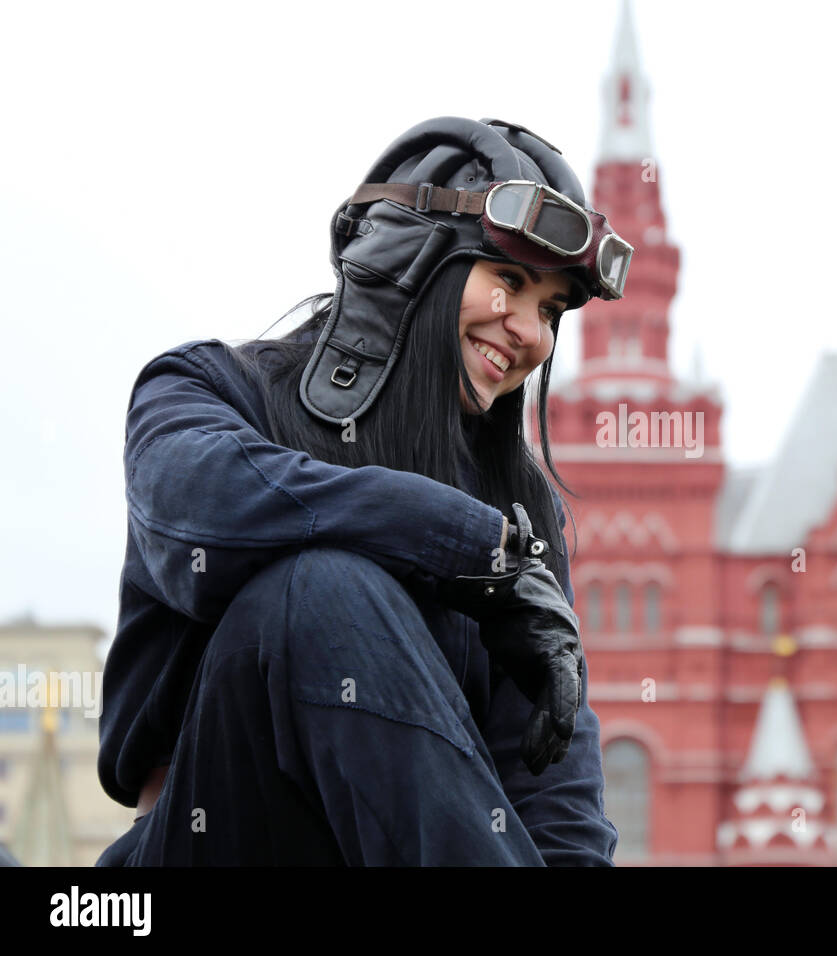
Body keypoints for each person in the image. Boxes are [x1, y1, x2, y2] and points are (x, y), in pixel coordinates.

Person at [94, 116, 634, 866]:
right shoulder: (207, 390)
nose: (532, 334)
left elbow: (555, 796)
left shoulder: (520, 518)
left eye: (549, 309)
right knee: (319, 588)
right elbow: (203, 509)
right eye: (509, 280)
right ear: (407, 258)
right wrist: (466, 549)